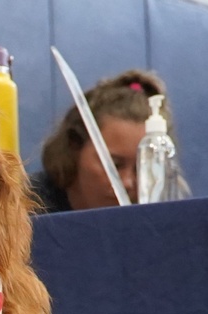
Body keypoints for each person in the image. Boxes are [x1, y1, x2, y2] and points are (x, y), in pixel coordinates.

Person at [31, 68, 188, 213]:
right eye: (114, 165)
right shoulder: (22, 209)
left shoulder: (165, 220)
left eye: (142, 168)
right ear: (74, 147)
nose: (127, 183)